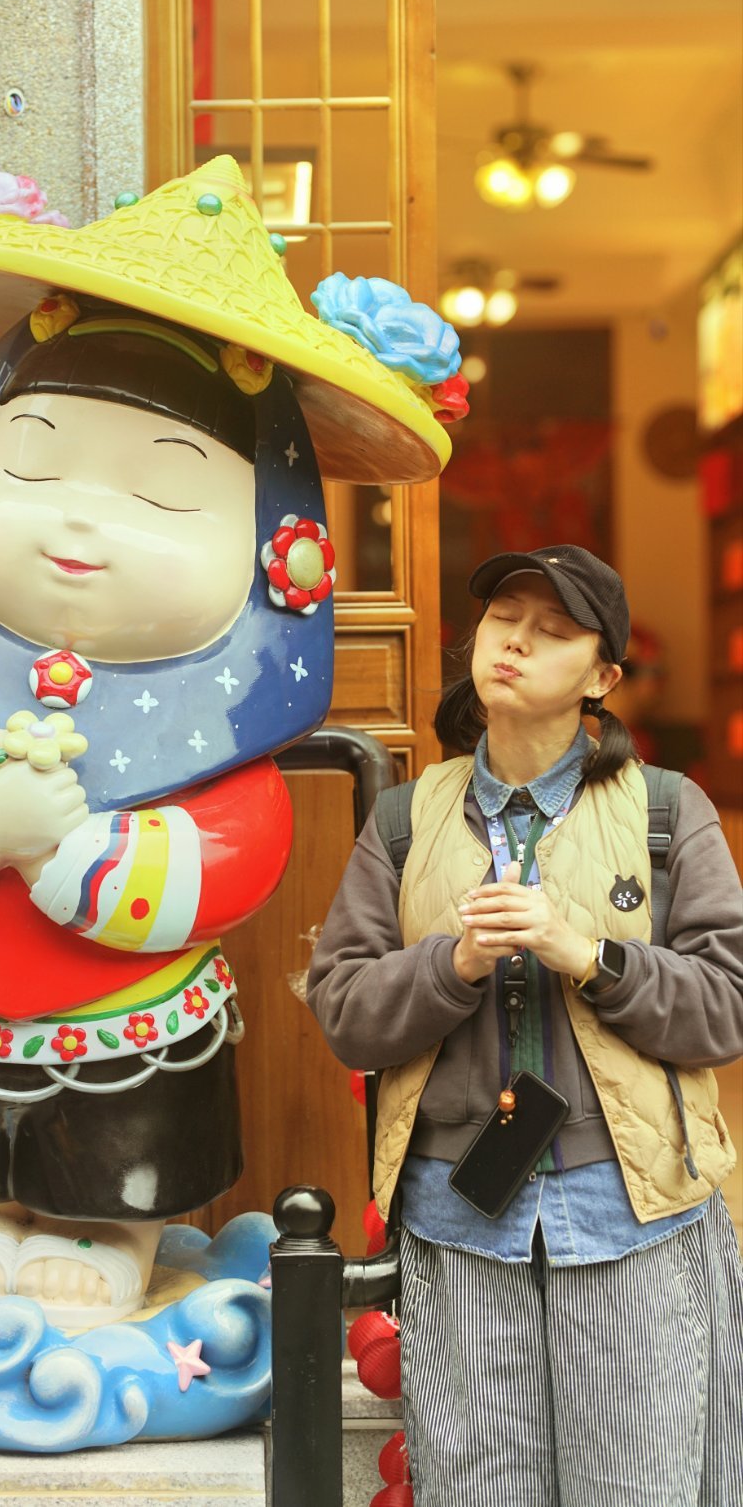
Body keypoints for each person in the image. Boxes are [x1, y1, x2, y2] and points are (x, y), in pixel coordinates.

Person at [0, 156, 462, 1331]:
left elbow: (240, 849)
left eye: (161, 498)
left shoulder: (219, 741)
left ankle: (110, 1230)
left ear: (270, 543)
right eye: (34, 462)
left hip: (127, 1005)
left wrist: (74, 859)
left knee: (116, 1142)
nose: (78, 523)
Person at [308, 544, 743, 1507]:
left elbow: (726, 1006)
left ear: (602, 679)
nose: (514, 642)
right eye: (504, 620)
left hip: (629, 1211)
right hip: (458, 1212)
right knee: (478, 1489)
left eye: (552, 632)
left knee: (636, 1487)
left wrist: (589, 954)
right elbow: (344, 1009)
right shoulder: (404, 821)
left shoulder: (666, 812)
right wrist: (454, 963)